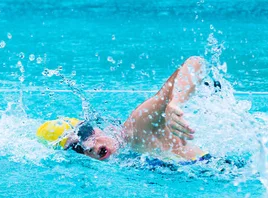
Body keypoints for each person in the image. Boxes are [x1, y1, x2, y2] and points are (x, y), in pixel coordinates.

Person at [37, 56, 210, 162]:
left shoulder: (137, 128)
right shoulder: (125, 159)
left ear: (95, 128)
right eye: (76, 148)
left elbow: (196, 63)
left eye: (85, 135)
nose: (87, 147)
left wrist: (175, 103)